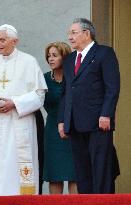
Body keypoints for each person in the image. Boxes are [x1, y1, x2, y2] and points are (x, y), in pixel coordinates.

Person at [0, 24, 47, 196]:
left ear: (14, 41)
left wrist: (15, 103)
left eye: (2, 39)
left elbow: (39, 96)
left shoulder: (29, 62)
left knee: (15, 167)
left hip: (19, 124)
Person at [58, 18, 120, 194]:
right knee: (82, 170)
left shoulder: (104, 53)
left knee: (101, 168)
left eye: (74, 33)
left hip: (98, 122)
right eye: (69, 33)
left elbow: (112, 87)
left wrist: (106, 114)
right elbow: (65, 92)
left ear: (87, 33)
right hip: (75, 123)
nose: (70, 37)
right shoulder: (69, 59)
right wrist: (62, 120)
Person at [43, 42, 77, 194]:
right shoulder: (43, 79)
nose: (50, 59)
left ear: (65, 57)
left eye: (55, 55)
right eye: (48, 56)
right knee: (54, 174)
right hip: (52, 130)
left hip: (73, 129)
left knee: (74, 174)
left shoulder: (75, 77)